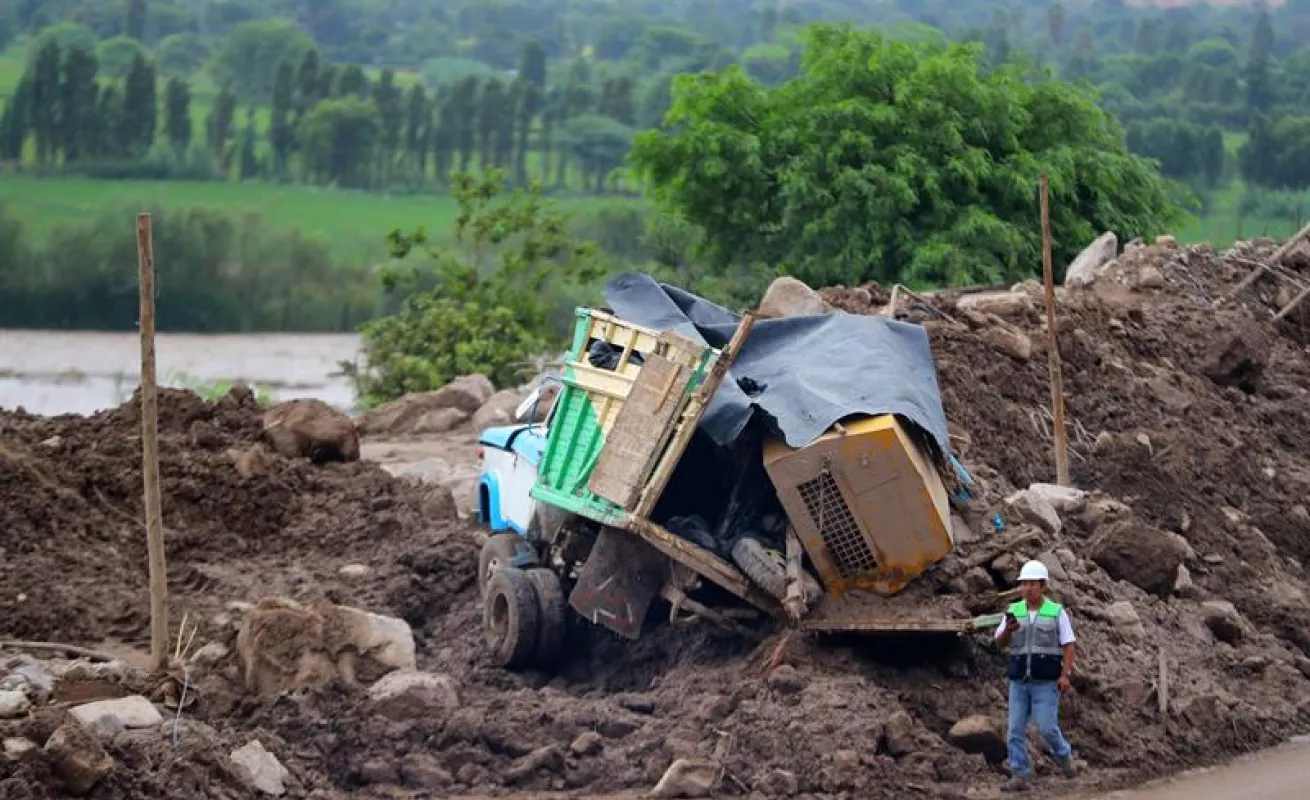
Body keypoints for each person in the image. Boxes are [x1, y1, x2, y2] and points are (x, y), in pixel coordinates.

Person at [993, 559, 1077, 792]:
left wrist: (1065, 674)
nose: (1026, 588)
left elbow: (1069, 645)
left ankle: (1064, 755)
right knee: (1015, 731)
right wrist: (1008, 632)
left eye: (1031, 583)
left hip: (1046, 683)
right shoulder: (1013, 611)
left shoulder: (1056, 612)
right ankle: (1020, 774)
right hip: (1019, 682)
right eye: (1023, 584)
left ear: (1043, 586)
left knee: (1047, 728)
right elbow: (998, 643)